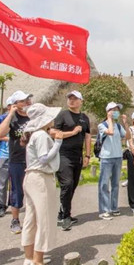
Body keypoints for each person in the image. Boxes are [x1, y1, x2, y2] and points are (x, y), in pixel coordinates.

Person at [19, 103, 63, 265]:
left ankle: (29, 257)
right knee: (44, 220)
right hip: (41, 178)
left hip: (31, 177)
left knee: (31, 219)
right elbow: (44, 158)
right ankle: (37, 261)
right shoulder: (42, 136)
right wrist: (58, 143)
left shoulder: (35, 135)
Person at [51, 91, 91, 231]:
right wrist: (72, 132)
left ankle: (63, 212)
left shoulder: (84, 118)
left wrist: (87, 155)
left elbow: (87, 137)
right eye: (70, 98)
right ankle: (65, 217)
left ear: (81, 101)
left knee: (72, 186)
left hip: (77, 156)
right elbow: (53, 132)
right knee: (67, 184)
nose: (72, 101)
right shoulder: (62, 115)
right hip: (63, 155)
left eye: (75, 99)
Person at [0, 90, 33, 234]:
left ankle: (31, 220)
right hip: (17, 159)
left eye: (27, 100)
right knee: (16, 191)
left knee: (32, 191)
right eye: (22, 101)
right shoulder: (12, 118)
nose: (26, 103)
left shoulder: (32, 116)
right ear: (15, 104)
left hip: (32, 160)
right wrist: (11, 113)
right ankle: (15, 220)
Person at [97, 102, 127, 220]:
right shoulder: (102, 125)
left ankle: (114, 207)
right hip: (106, 158)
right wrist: (109, 118)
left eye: (117, 110)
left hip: (118, 157)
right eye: (113, 110)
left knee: (115, 184)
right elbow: (110, 132)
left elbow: (127, 136)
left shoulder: (118, 126)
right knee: (104, 184)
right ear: (108, 111)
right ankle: (104, 210)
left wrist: (125, 123)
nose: (116, 112)